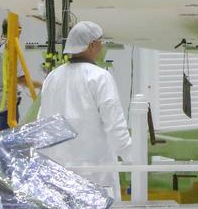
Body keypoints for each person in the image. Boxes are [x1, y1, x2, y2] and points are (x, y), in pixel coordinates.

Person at [38, 21, 131, 197]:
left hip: (59, 174)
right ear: (92, 45)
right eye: (100, 42)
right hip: (95, 176)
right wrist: (133, 159)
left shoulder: (52, 77)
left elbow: (42, 123)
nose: (102, 46)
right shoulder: (100, 77)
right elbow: (115, 125)